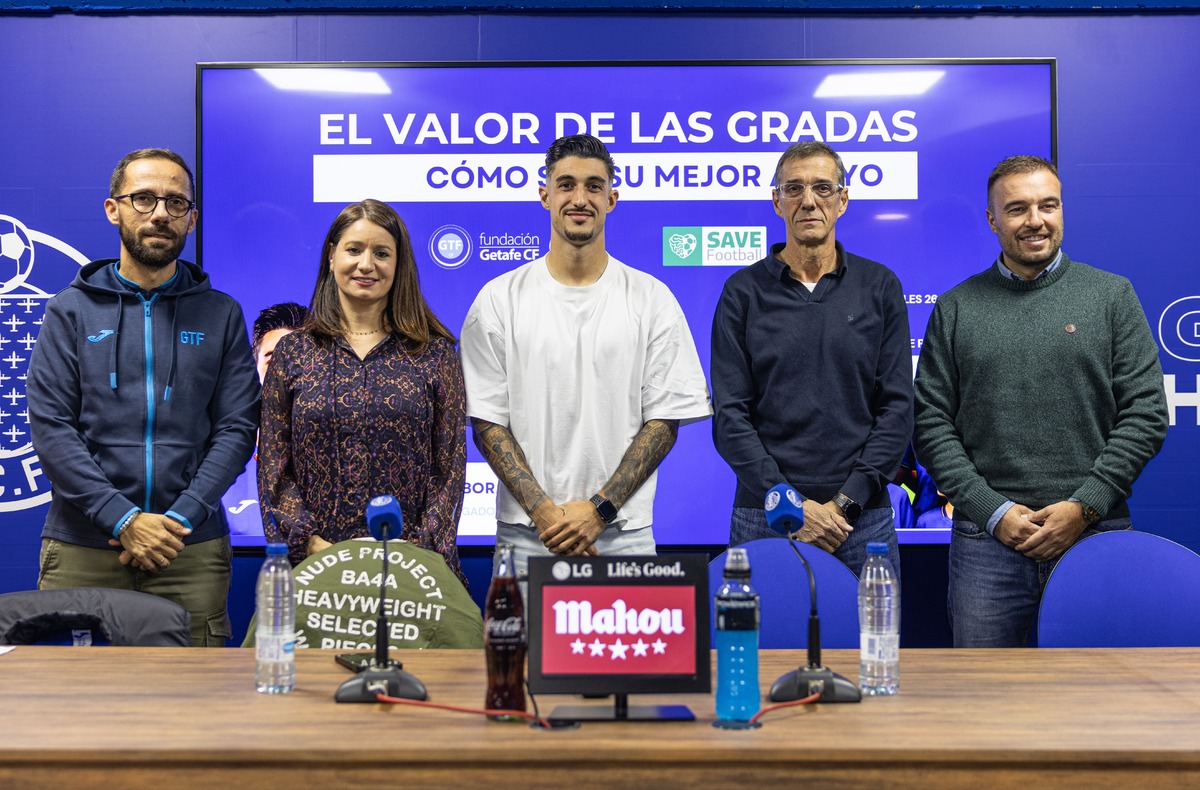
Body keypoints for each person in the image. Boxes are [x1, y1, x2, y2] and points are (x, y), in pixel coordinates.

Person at [913, 155, 1169, 647]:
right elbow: (931, 424)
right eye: (1017, 209)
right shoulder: (956, 307)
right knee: (988, 702)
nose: (1035, 220)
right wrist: (992, 511)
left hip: (1092, 535)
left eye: (1047, 205)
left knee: (1097, 699)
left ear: (1062, 210)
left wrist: (1084, 506)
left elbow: (1145, 414)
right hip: (987, 544)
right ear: (992, 219)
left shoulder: (1111, 296)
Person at [28, 148, 260, 647]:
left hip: (189, 551)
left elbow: (238, 427)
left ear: (192, 220)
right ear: (114, 209)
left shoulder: (221, 315)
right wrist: (124, 519)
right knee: (73, 708)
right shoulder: (68, 312)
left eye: (176, 203)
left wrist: (178, 520)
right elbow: (52, 430)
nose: (159, 213)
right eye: (144, 199)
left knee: (193, 708)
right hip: (83, 547)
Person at [460, 135, 711, 578]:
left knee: (632, 653)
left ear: (612, 199)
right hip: (526, 536)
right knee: (519, 652)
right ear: (545, 195)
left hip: (625, 535)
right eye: (567, 185)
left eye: (594, 186)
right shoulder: (498, 299)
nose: (580, 198)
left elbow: (664, 421)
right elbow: (487, 422)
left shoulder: (652, 298)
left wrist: (599, 511)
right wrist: (544, 513)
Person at [711, 141, 913, 579]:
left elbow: (897, 409)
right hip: (763, 516)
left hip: (860, 521)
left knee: (869, 649)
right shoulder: (742, 292)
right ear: (776, 200)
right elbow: (730, 417)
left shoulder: (880, 286)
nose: (808, 201)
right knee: (758, 649)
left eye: (823, 188)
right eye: (794, 188)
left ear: (843, 200)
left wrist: (844, 503)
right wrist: (791, 505)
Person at [258, 200, 468, 584]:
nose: (366, 264)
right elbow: (273, 467)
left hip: (414, 574)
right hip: (315, 572)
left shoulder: (434, 352)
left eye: (382, 253)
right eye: (354, 250)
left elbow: (449, 470)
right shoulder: (293, 353)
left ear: (398, 264)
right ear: (331, 255)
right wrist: (311, 545)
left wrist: (414, 554)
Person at [221, 302, 308, 542]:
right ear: (255, 369)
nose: (284, 372)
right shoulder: (222, 463)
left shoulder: (338, 464)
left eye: (297, 359)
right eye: (272, 359)